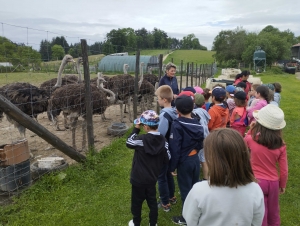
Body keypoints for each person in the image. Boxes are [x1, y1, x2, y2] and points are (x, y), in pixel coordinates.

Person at [182, 128, 265, 226]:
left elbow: (190, 220)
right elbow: (256, 222)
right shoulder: (255, 189)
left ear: (211, 159)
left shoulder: (199, 190)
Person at [244, 104, 288, 226]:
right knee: (274, 211)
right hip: (273, 183)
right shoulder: (281, 145)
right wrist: (282, 184)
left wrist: (250, 130)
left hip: (255, 181)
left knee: (260, 211)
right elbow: (284, 170)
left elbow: (242, 145)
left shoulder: (251, 139)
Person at [126, 110, 170, 226]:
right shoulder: (163, 141)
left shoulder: (141, 140)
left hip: (138, 179)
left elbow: (129, 142)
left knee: (136, 202)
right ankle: (153, 223)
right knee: (152, 202)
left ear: (145, 127)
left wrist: (136, 128)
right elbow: (168, 157)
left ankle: (136, 223)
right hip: (152, 178)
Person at [169, 95, 204, 225]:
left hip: (184, 162)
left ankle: (187, 218)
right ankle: (198, 211)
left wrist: (172, 167)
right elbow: (201, 141)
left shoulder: (177, 125)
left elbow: (175, 148)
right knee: (195, 186)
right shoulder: (197, 122)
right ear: (192, 107)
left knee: (185, 190)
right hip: (194, 159)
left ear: (177, 110)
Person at [155, 85, 177, 212]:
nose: (157, 100)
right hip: (172, 148)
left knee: (161, 177)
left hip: (164, 149)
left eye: (158, 98)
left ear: (164, 100)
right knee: (168, 173)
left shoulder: (164, 115)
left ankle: (165, 202)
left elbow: (160, 134)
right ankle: (172, 197)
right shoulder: (174, 111)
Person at [193, 93, 210, 180]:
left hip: (198, 137)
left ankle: (195, 178)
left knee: (195, 157)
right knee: (204, 159)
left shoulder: (194, 112)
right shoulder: (204, 111)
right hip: (206, 136)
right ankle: (206, 178)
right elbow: (208, 120)